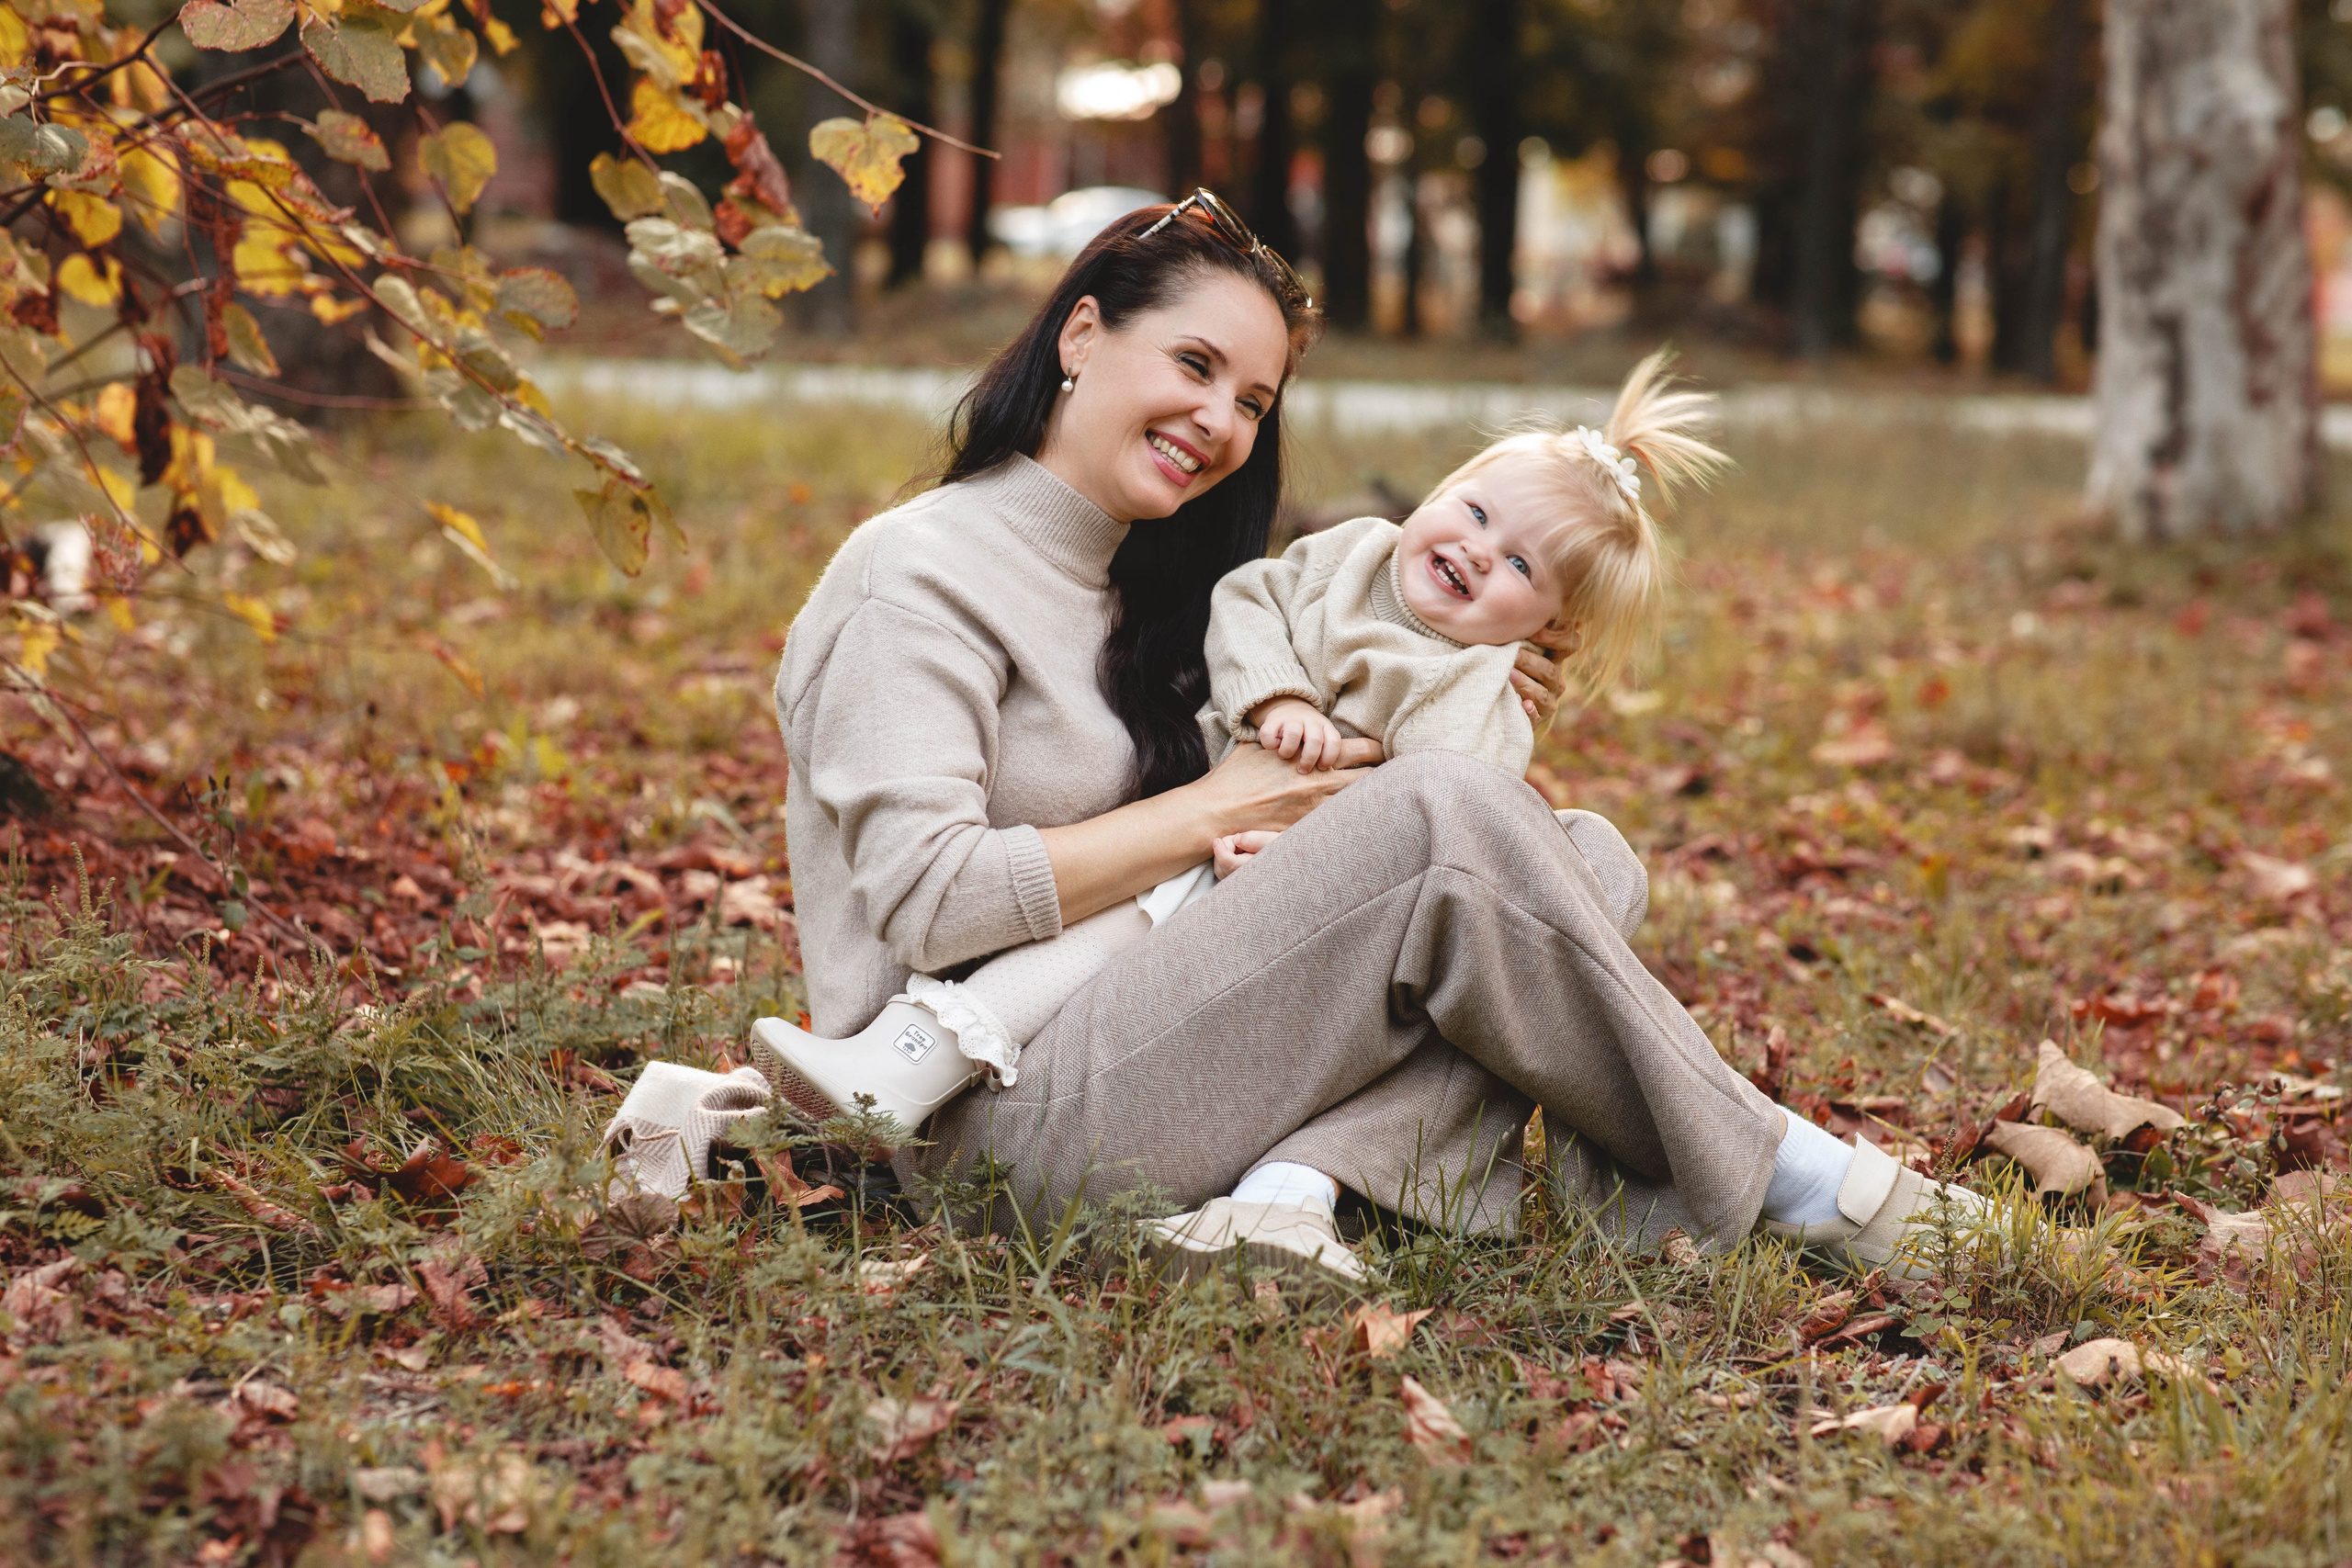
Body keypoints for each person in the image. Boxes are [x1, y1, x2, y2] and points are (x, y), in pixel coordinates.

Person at [739, 191, 1981, 1293]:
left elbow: (1299, 744)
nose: (1218, 420)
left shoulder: (1149, 584)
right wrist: (1232, 804)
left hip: (1142, 1044)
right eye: (1194, 363)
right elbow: (930, 900)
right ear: (1080, 335)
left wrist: (1451, 687)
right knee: (1459, 827)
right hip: (975, 1120)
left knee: (1581, 859)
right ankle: (1787, 1173)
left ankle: (1286, 1192)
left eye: (1252, 400)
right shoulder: (915, 575)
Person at [751, 350, 1704, 1138]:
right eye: (1477, 514)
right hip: (1180, 851)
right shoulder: (1350, 556)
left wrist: (1319, 844)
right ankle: (918, 1050)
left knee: (1586, 858)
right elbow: (1253, 605)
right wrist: (1276, 696)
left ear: (1545, 625)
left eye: (1521, 566)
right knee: (1111, 928)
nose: (1480, 551)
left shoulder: (1479, 683)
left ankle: (1305, 1181)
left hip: (1294, 867)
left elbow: (1448, 813)